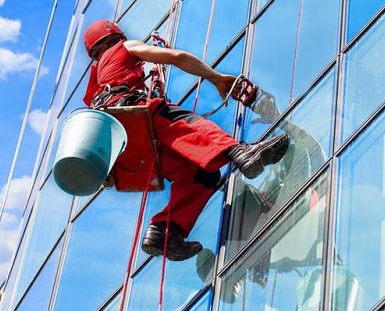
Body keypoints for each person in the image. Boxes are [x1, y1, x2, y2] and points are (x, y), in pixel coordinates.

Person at [82, 19, 289, 261]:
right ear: (115, 35)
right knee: (189, 124)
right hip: (132, 113)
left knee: (201, 175)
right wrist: (216, 78)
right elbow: (177, 57)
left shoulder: (97, 79)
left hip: (125, 146)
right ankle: (242, 153)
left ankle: (165, 231)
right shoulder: (125, 48)